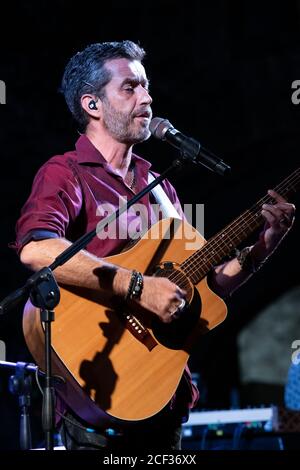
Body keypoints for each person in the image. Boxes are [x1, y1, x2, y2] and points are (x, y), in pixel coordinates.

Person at [12, 40, 295, 451]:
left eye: (145, 86)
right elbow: (36, 251)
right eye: (130, 87)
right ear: (92, 104)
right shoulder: (66, 173)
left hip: (162, 399)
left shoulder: (160, 189)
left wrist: (262, 248)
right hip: (99, 403)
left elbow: (205, 289)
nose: (147, 97)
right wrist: (140, 287)